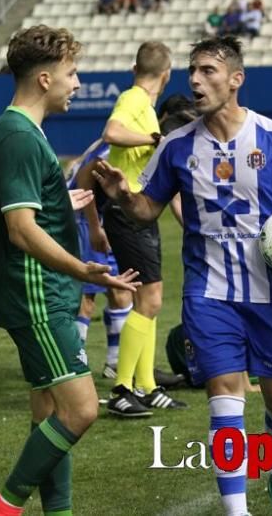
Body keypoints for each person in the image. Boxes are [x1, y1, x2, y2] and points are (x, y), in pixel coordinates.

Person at [94, 36, 272, 516]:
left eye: (208, 70)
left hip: (271, 293)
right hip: (208, 293)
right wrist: (123, 195)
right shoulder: (176, 146)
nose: (196, 80)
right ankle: (237, 511)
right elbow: (148, 209)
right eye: (192, 71)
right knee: (224, 396)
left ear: (236, 79)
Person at [0, 26, 140, 516]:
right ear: (45, 79)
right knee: (82, 409)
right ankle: (4, 506)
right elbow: (21, 230)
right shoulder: (20, 137)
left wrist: (57, 200)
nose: (79, 82)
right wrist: (83, 270)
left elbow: (24, 209)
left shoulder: (21, 131)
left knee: (49, 412)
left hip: (37, 288)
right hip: (36, 291)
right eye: (72, 73)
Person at [100, 41, 187, 417]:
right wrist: (153, 139)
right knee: (148, 300)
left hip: (140, 213)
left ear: (135, 66)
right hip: (127, 213)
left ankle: (147, 387)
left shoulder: (146, 109)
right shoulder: (134, 100)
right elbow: (112, 132)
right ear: (166, 75)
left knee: (148, 301)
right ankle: (122, 389)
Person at [64, 138, 135, 381]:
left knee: (119, 290)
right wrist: (94, 227)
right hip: (84, 219)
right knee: (88, 293)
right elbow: (85, 176)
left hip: (98, 219)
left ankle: (115, 363)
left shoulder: (117, 139)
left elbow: (76, 165)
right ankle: (73, 363)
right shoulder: (118, 143)